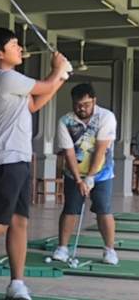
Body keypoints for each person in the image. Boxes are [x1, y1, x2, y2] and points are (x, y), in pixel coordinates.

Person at [0, 27, 69, 300]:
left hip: (19, 159)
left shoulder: (14, 81)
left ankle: (17, 283)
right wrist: (57, 70)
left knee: (19, 222)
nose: (20, 48)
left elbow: (35, 104)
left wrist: (60, 77)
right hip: (4, 161)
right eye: (14, 44)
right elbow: (44, 87)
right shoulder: (5, 78)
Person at [51, 83, 119, 266]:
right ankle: (62, 248)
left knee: (103, 208)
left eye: (86, 105)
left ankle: (109, 250)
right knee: (70, 208)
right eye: (77, 105)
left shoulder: (106, 117)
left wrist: (89, 178)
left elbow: (101, 150)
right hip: (73, 173)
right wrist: (78, 179)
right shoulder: (65, 121)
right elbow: (69, 153)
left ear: (94, 101)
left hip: (102, 173)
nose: (81, 108)